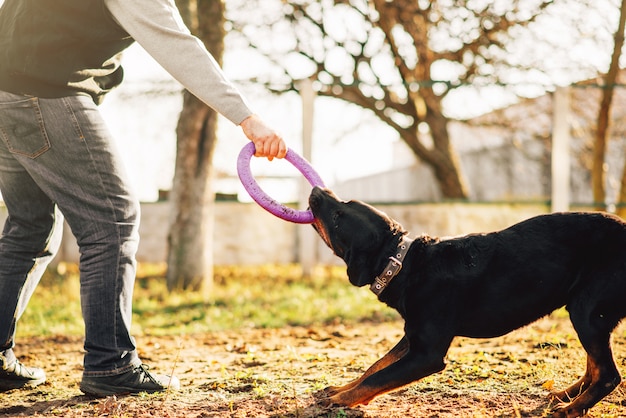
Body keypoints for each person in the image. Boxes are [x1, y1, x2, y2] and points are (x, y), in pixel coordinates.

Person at [0, 0, 287, 396]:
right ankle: (110, 364)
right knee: (112, 222)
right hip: (46, 92)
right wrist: (247, 117)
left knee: (29, 227)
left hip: (6, 91)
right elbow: (177, 46)